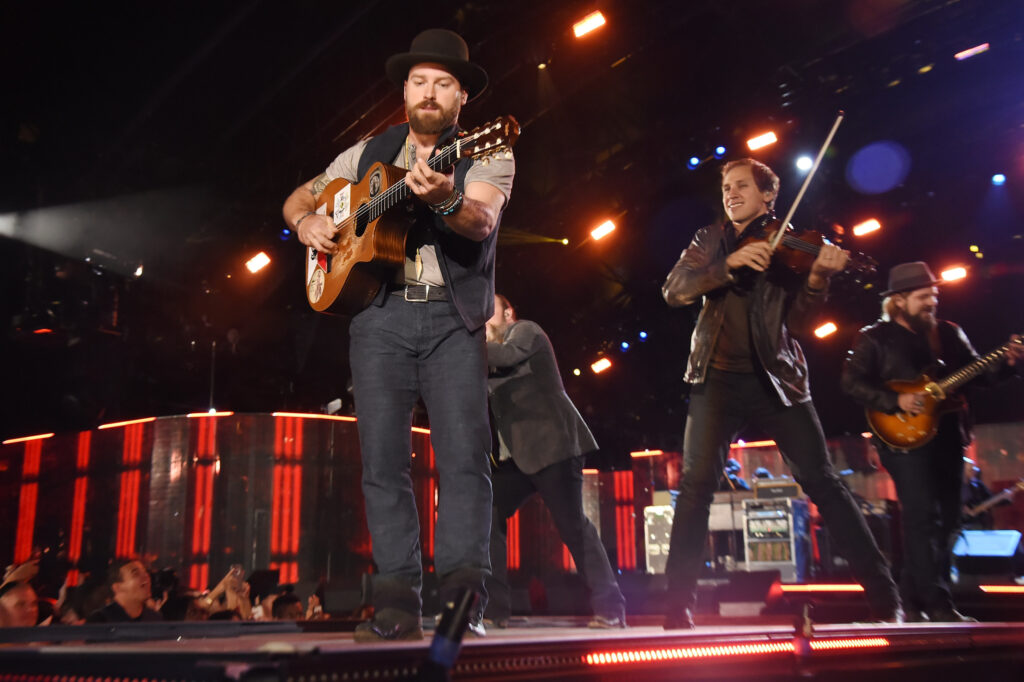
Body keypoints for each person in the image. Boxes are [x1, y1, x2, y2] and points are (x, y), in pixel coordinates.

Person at [283, 28, 514, 642]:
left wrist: (445, 200)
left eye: (443, 83)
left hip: (451, 320)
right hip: (378, 318)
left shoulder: (488, 151)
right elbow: (300, 198)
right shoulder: (366, 153)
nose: (429, 92)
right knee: (383, 464)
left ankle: (463, 602)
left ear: (462, 97)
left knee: (464, 461)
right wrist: (306, 223)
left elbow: (481, 219)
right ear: (405, 91)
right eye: (419, 82)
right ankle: (396, 605)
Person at [660, 158, 901, 628]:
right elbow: (674, 290)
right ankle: (676, 607)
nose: (731, 194)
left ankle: (885, 598)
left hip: (778, 381)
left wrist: (818, 279)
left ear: (769, 195)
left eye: (742, 186)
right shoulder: (710, 240)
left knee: (824, 484)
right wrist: (727, 265)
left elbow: (800, 325)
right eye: (727, 187)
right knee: (694, 489)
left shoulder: (793, 245)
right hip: (716, 378)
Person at [841, 261, 1023, 622]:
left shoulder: (949, 333)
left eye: (934, 296)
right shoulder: (874, 338)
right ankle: (938, 603)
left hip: (948, 437)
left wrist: (1007, 363)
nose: (932, 303)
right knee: (922, 516)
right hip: (902, 440)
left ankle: (911, 599)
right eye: (923, 297)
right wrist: (896, 400)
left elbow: (979, 375)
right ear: (898, 300)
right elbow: (851, 383)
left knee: (950, 519)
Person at [483, 294, 627, 628]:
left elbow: (508, 355)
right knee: (487, 512)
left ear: (508, 312)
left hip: (554, 447)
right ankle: (495, 610)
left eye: (490, 310)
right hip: (518, 458)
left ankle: (611, 608)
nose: (483, 317)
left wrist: (467, 343)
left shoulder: (525, 331)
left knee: (572, 526)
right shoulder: (486, 357)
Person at [86, 559, 163, 623]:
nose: (146, 576)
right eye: (136, 574)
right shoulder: (101, 621)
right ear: (117, 587)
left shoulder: (154, 619)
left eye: (145, 572)